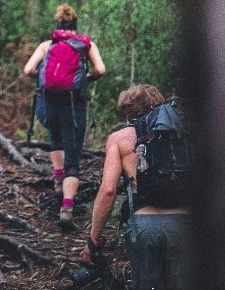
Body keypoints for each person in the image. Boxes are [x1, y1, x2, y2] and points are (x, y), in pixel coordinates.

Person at [80, 84, 192, 289]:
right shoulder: (184, 133)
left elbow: (108, 190)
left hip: (145, 225)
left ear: (128, 112)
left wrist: (93, 240)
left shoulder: (119, 139)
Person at [23, 3, 106, 231]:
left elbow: (28, 70)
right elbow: (100, 70)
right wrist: (82, 81)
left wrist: (44, 81)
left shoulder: (47, 45)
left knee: (55, 139)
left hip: (49, 101)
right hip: (74, 104)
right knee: (74, 155)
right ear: (75, 26)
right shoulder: (85, 45)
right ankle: (67, 208)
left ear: (57, 24)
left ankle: (58, 181)